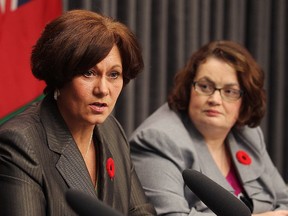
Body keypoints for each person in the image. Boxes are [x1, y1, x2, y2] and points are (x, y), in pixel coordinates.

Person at [0, 9, 156, 216]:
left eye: (113, 74)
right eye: (88, 73)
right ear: (60, 75)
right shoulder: (21, 142)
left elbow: (140, 210)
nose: (103, 89)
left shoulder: (111, 131)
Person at [130, 40, 288, 216]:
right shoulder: (157, 139)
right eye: (205, 86)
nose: (215, 99)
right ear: (189, 88)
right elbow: (171, 215)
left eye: (229, 91)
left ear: (245, 100)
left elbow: (284, 201)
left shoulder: (247, 135)